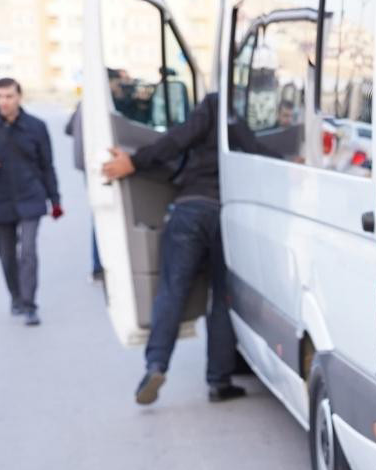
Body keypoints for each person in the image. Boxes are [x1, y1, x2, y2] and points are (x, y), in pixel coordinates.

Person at [101, 92, 262, 405]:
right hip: (227, 214)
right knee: (223, 298)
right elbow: (259, 154)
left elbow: (176, 140)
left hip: (190, 209)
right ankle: (219, 381)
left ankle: (156, 365)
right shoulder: (239, 120)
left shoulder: (213, 104)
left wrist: (133, 162)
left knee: (172, 290)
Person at [0, 77, 61, 326]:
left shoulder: (36, 126)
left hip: (31, 196)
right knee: (6, 253)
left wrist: (55, 200)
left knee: (28, 252)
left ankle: (30, 305)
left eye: (9, 96)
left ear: (19, 97)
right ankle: (16, 296)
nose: (4, 102)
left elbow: (47, 165)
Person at [64, 101, 103, 283]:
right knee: (103, 213)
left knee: (99, 211)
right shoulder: (100, 102)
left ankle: (97, 267)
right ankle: (99, 266)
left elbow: (68, 128)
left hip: (86, 164)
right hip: (98, 164)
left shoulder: (83, 103)